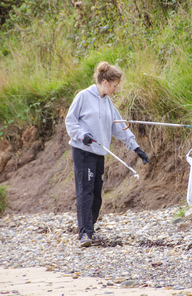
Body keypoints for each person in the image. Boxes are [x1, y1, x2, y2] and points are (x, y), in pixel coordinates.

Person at [65, 61, 149, 248]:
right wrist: (82, 135)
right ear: (104, 81)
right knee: (85, 192)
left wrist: (136, 148)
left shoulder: (107, 102)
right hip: (83, 151)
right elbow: (70, 121)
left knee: (96, 194)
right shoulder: (84, 96)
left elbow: (118, 126)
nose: (115, 89)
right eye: (114, 85)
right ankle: (84, 234)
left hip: (99, 153)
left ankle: (90, 230)